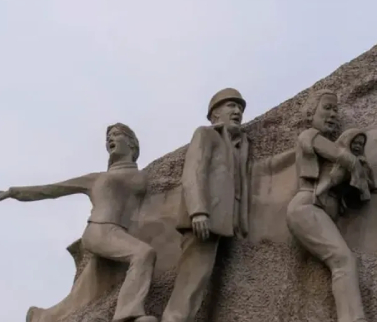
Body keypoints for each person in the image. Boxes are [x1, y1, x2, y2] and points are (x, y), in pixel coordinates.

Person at [0, 123, 157, 322]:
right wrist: (13, 192)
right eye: (108, 137)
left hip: (121, 232)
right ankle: (127, 314)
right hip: (101, 229)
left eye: (116, 135)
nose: (110, 139)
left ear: (132, 144)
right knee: (143, 253)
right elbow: (52, 189)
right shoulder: (96, 179)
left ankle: (42, 317)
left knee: (86, 291)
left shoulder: (143, 175)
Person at [161, 88, 251, 322]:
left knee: (199, 282)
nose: (237, 111)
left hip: (221, 223)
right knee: (190, 283)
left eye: (240, 107)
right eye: (231, 105)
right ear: (214, 115)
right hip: (202, 220)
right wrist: (198, 211)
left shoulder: (239, 145)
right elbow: (193, 172)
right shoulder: (205, 134)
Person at [286, 90, 374, 322]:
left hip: (319, 208)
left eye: (336, 110)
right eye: (327, 108)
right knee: (343, 261)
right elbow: (343, 157)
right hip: (307, 206)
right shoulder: (309, 135)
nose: (333, 114)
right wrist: (354, 165)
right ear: (310, 113)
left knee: (342, 261)